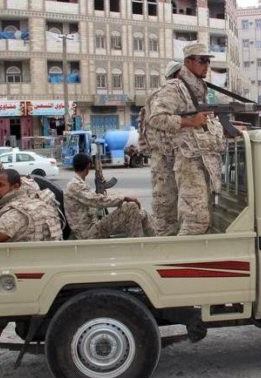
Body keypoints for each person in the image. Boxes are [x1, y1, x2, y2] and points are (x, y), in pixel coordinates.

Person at [145, 44, 226, 235]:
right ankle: (178, 259)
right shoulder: (176, 88)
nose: (206, 65)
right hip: (184, 159)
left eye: (208, 61)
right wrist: (189, 121)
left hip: (195, 157)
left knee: (181, 221)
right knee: (191, 220)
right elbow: (156, 119)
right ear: (188, 62)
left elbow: (201, 123)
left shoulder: (196, 88)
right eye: (202, 61)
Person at [64, 153, 155, 239]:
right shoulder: (74, 185)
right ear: (88, 166)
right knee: (131, 207)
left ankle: (157, 239)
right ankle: (138, 247)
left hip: (94, 227)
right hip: (89, 233)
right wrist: (124, 197)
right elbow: (97, 201)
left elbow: (93, 200)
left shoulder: (78, 183)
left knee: (141, 213)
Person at [138, 60, 182, 236]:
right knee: (166, 211)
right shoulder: (166, 95)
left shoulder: (158, 96)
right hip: (166, 159)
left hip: (165, 158)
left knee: (173, 209)